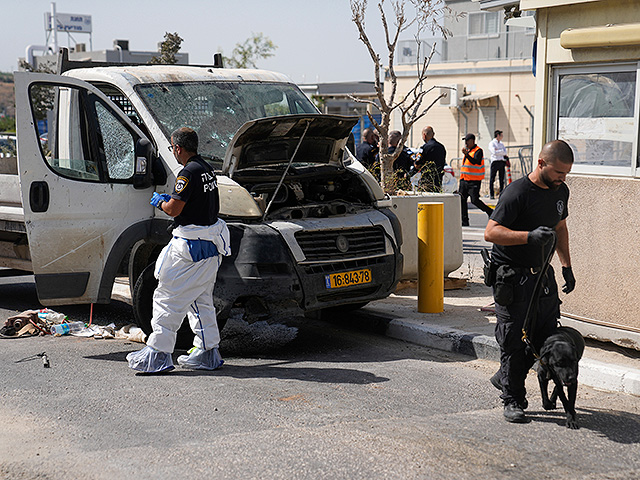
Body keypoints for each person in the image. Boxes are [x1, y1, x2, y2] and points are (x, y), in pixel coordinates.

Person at [484, 139, 576, 424]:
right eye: (559, 172)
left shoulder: (561, 191)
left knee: (543, 337)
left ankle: (505, 376)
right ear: (541, 164)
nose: (563, 178)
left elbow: (561, 226)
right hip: (512, 276)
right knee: (512, 339)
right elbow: (490, 232)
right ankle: (513, 399)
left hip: (541, 276)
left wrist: (566, 266)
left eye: (566, 173)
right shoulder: (517, 193)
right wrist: (527, 236)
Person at [127, 127, 232, 373]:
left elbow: (174, 209)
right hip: (210, 248)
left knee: (167, 298)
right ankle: (208, 352)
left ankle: (158, 354)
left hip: (189, 248)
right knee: (200, 301)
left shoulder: (188, 172)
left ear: (177, 148)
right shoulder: (206, 169)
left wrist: (162, 201)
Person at [459, 133, 493, 226]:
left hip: (474, 181)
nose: (465, 143)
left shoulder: (478, 151)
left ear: (473, 141)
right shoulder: (468, 151)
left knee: (475, 200)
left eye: (467, 141)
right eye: (465, 141)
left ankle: (490, 211)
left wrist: (467, 155)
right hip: (464, 180)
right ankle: (464, 221)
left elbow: (476, 162)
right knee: (462, 200)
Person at [415, 126, 446, 191]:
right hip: (438, 181)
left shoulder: (424, 148)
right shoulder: (441, 147)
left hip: (426, 181)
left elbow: (417, 164)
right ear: (433, 134)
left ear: (424, 135)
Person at [488, 130, 509, 199]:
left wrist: (499, 151)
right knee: (492, 178)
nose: (502, 137)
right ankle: (491, 194)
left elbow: (505, 152)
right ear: (498, 135)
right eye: (501, 135)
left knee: (501, 178)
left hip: (501, 161)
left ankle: (501, 193)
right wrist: (501, 152)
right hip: (495, 162)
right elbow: (494, 152)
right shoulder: (492, 143)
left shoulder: (501, 144)